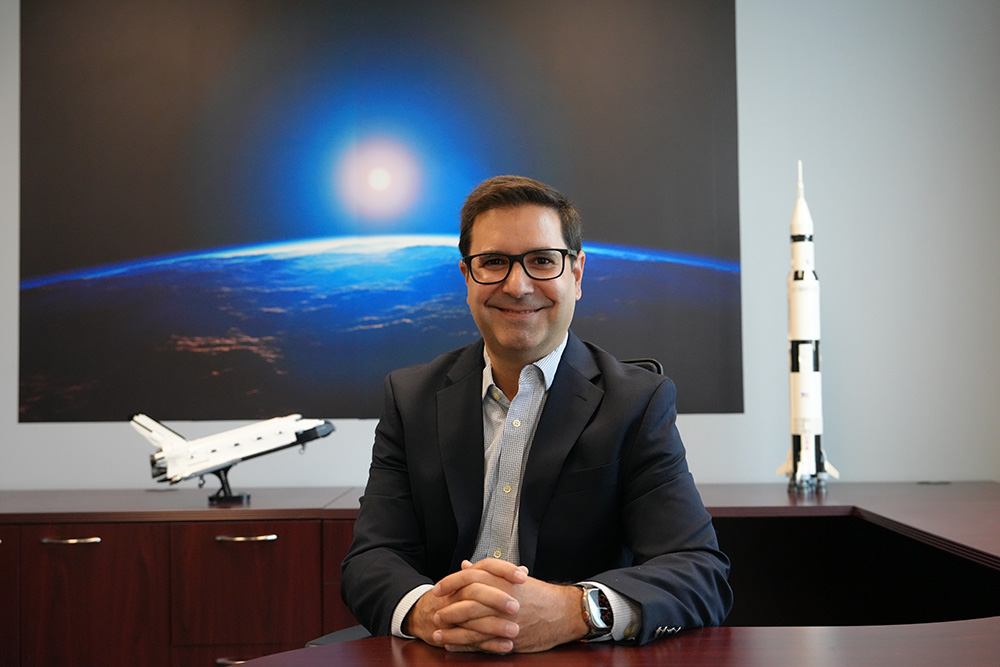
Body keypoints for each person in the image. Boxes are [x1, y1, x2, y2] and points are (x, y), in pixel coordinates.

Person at [341, 175, 732, 653]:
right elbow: (372, 557)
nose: (518, 285)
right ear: (467, 278)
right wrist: (432, 611)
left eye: (542, 261)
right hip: (443, 654)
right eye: (493, 263)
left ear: (577, 275)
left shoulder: (637, 402)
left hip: (576, 657)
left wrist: (576, 610)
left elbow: (698, 571)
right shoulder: (411, 397)